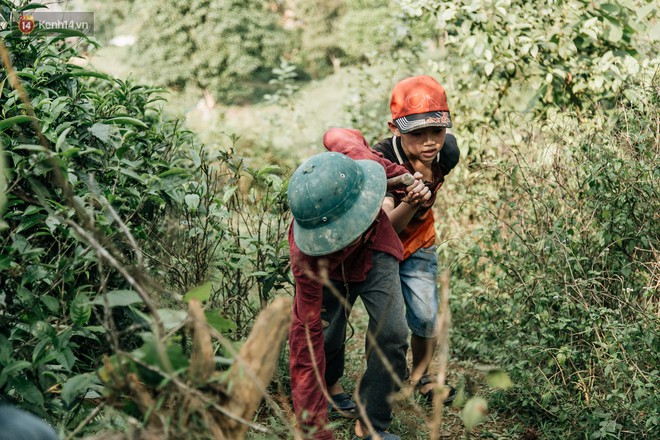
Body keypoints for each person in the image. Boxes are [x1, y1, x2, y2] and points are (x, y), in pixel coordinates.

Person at [287, 144, 428, 440]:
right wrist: (315, 432)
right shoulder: (307, 257)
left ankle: (372, 424)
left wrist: (405, 179)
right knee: (326, 336)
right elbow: (306, 344)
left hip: (376, 250)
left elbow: (344, 138)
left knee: (392, 332)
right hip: (329, 270)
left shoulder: (358, 158)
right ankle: (328, 388)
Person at [372, 75, 460, 404]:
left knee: (425, 316)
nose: (429, 142)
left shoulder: (447, 152)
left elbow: (436, 173)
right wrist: (412, 199)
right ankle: (381, 383)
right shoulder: (381, 162)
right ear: (395, 128)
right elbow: (386, 228)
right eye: (417, 133)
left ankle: (421, 377)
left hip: (421, 242)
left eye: (436, 131)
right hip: (383, 246)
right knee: (387, 322)